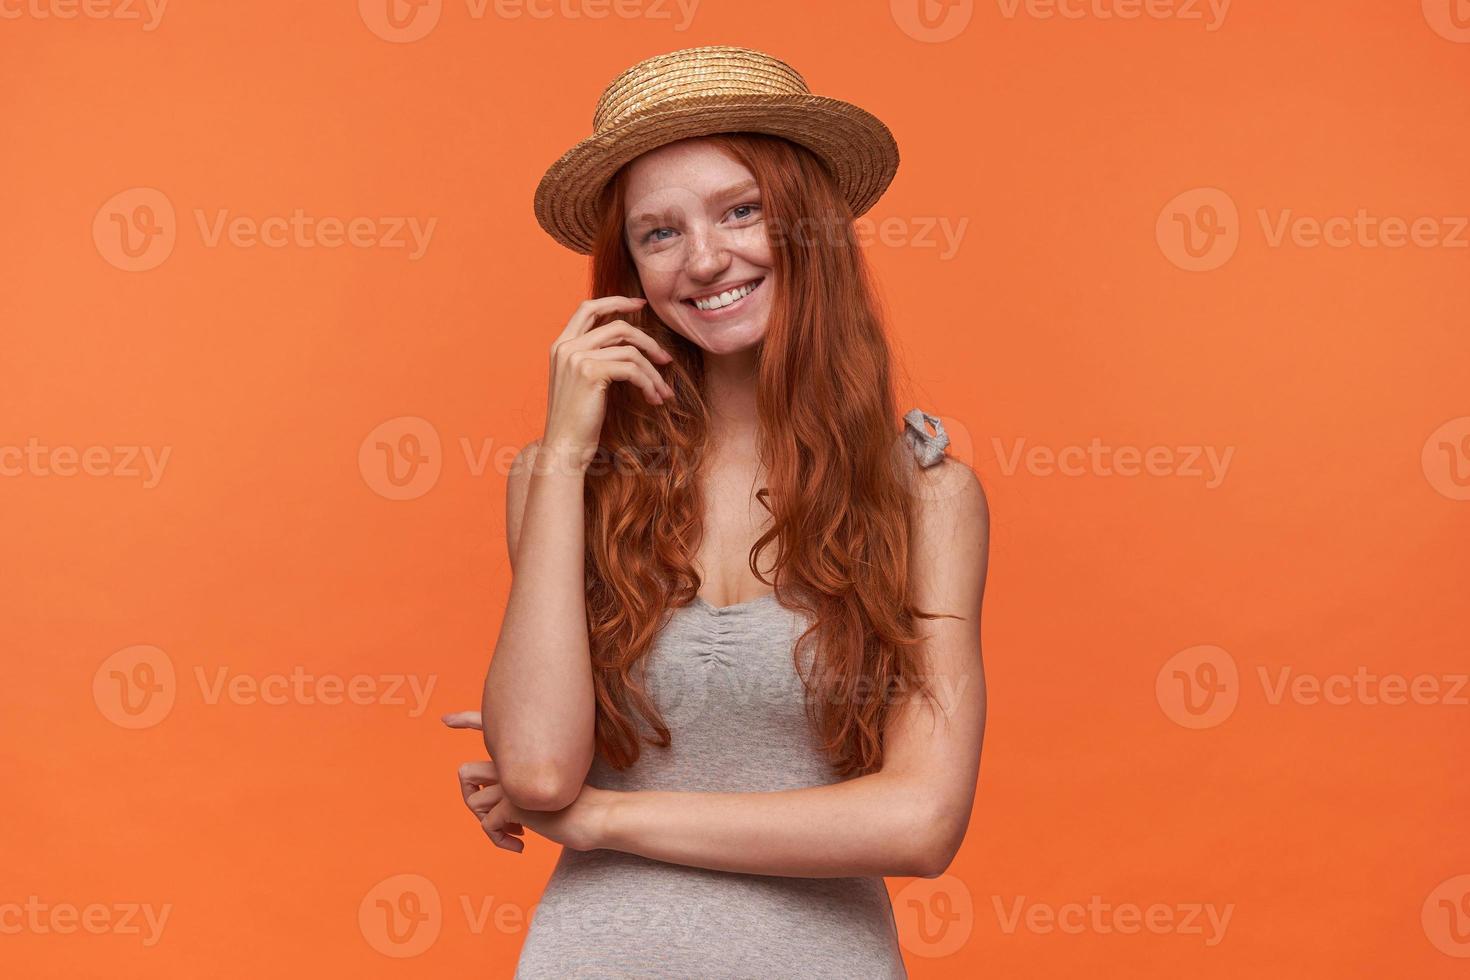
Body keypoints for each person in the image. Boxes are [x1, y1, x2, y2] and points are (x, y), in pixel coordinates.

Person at [442, 44, 990, 979]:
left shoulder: (926, 494)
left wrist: (603, 817)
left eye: (742, 212)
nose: (704, 260)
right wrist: (568, 449)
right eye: (659, 234)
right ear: (630, 272)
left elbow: (921, 821)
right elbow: (536, 772)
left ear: (808, 228)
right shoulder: (558, 480)